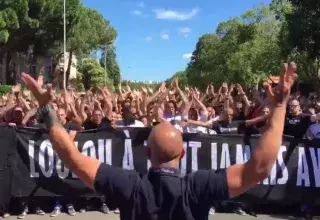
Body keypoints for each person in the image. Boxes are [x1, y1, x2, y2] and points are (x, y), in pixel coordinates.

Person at [20, 61, 297, 220]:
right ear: (184, 153)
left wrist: (47, 109)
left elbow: (72, 157)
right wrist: (280, 106)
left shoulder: (129, 185)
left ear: (146, 152)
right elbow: (260, 168)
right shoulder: (199, 187)